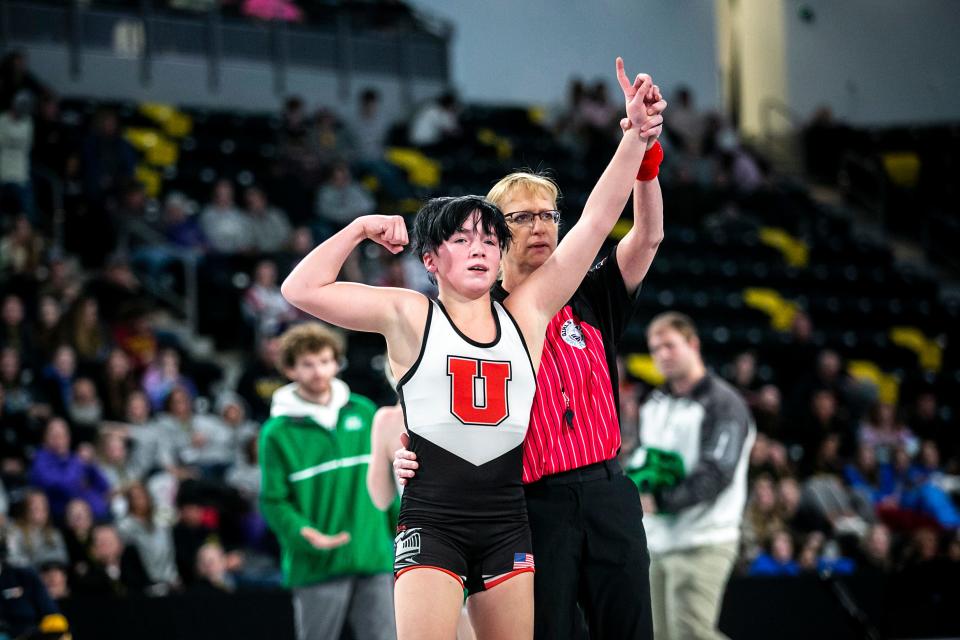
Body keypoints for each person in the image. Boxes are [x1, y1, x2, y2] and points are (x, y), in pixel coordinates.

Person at [282, 60, 662, 640]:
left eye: (488, 238)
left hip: (511, 519)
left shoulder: (527, 314)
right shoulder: (410, 312)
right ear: (430, 259)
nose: (480, 249)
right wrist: (359, 227)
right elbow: (301, 290)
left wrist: (635, 138)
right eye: (462, 239)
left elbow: (595, 222)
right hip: (439, 518)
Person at [393, 59, 666, 639]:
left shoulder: (592, 294)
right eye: (521, 217)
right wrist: (412, 452)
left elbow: (646, 235)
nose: (540, 226)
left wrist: (645, 157)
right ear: (495, 232)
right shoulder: (481, 317)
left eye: (548, 214)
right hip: (530, 503)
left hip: (608, 489)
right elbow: (427, 392)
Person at [258, 323, 396, 640]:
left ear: (336, 362)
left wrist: (401, 527)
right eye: (307, 363)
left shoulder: (363, 410)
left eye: (324, 360)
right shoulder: (276, 433)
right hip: (316, 563)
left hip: (373, 555)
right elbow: (273, 500)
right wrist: (306, 535)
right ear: (290, 368)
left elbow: (385, 478)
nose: (318, 371)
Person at [636, 312, 755, 640]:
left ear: (693, 344)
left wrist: (659, 500)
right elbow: (643, 460)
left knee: (692, 634)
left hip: (704, 538)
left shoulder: (725, 404)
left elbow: (717, 473)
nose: (662, 355)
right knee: (659, 635)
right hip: (658, 539)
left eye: (670, 346)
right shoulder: (654, 401)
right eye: (655, 348)